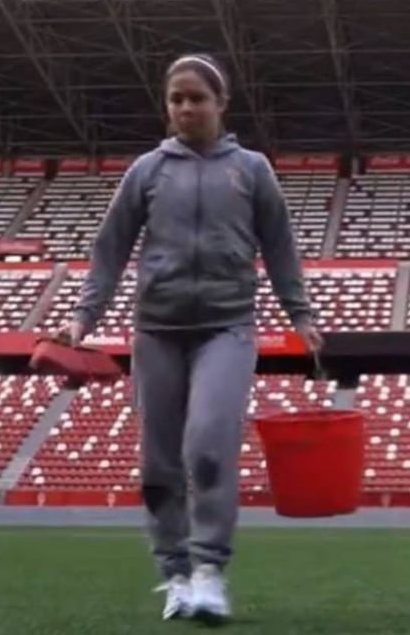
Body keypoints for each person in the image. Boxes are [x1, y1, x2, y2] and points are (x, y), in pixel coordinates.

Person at [49, 53, 322, 623]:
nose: (186, 107)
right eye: (176, 98)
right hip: (156, 332)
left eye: (197, 97)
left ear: (221, 103)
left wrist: (301, 314)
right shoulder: (147, 171)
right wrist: (82, 318)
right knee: (158, 467)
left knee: (207, 448)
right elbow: (110, 251)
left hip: (227, 327)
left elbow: (280, 248)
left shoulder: (252, 170)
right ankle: (174, 574)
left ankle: (208, 573)